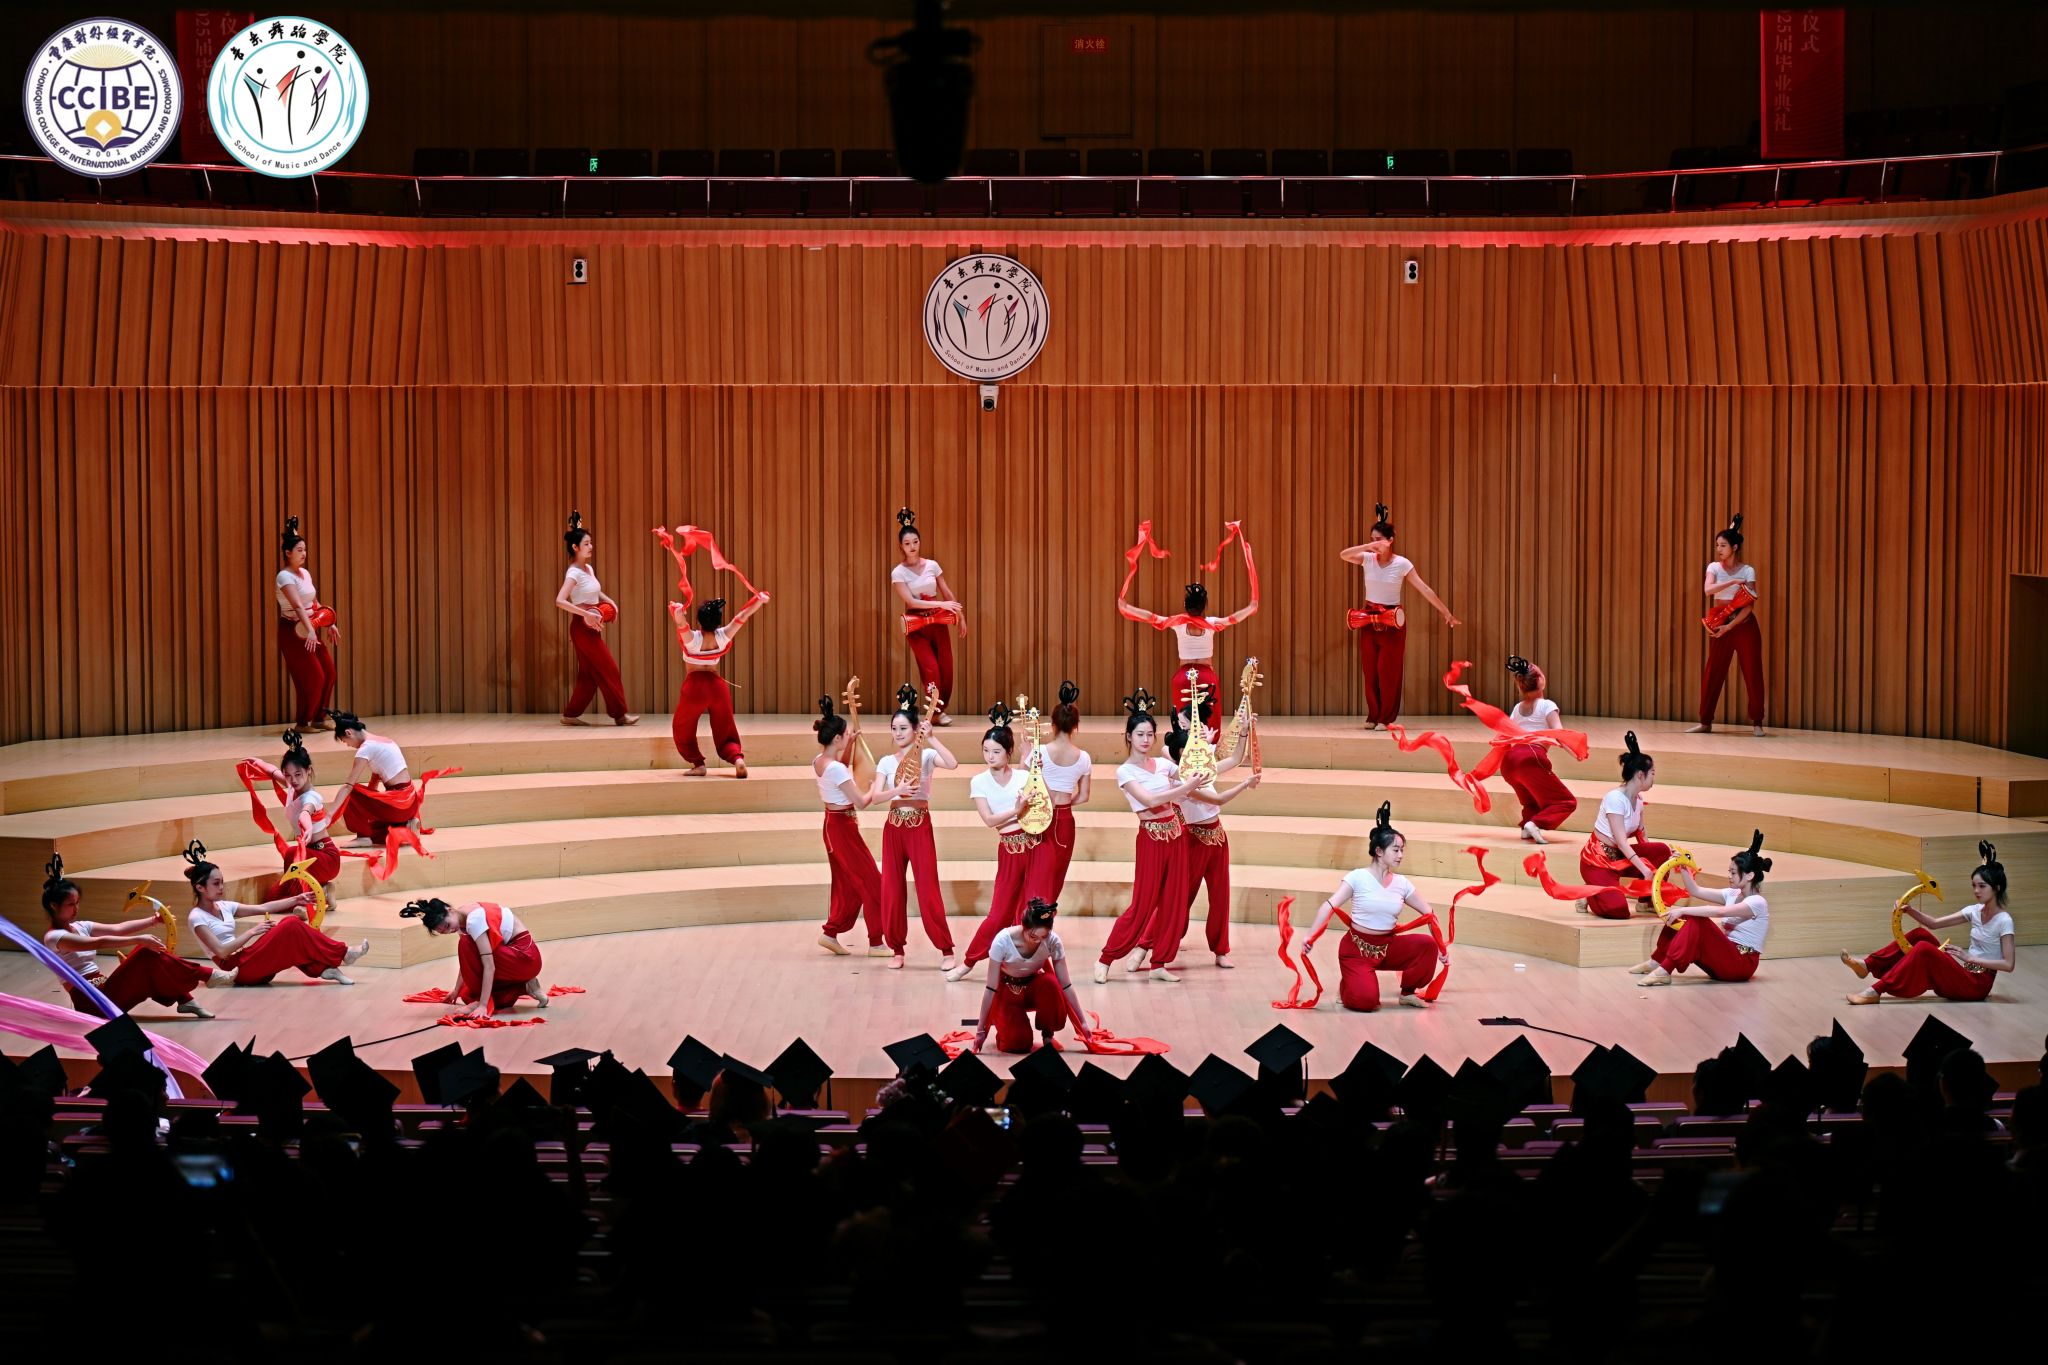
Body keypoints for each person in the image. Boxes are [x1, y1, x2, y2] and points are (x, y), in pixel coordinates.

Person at [1092, 690, 1208, 984]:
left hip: (1176, 835)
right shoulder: (1125, 772)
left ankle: (1159, 963)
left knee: (1174, 903)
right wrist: (1186, 787)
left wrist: (1204, 750)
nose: (1145, 739)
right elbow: (1150, 800)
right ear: (1129, 737)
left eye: (1150, 734)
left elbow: (1196, 775)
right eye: (1140, 734)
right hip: (1151, 839)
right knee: (1142, 905)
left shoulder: (1164, 765)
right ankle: (1106, 958)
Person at [40, 856, 228, 1018]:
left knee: (151, 962)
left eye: (77, 903)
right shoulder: (54, 937)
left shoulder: (80, 926)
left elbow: (118, 928)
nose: (76, 909)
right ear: (54, 906)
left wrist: (153, 920)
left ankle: (185, 999)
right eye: (70, 904)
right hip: (91, 1002)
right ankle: (205, 975)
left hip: (105, 990)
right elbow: (98, 942)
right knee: (144, 953)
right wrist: (139, 939)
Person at [1298, 803, 1441, 1011]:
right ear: (1379, 851)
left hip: (1387, 947)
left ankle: (1408, 992)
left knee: (1427, 945)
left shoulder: (1402, 883)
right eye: (1396, 850)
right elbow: (1329, 906)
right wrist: (1310, 936)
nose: (1400, 855)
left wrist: (1442, 947)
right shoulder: (1357, 877)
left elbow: (1429, 914)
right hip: (1357, 950)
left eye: (1402, 850)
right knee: (1366, 1002)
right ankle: (1347, 986)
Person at [1845, 841, 2017, 1005]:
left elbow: (2008, 965)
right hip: (1965, 973)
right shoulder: (1974, 910)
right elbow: (1934, 923)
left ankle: (1875, 991)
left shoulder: (2004, 921)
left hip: (1977, 986)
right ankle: (1867, 965)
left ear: (1997, 888)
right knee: (1920, 935)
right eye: (1974, 886)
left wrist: (1969, 958)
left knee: (1924, 949)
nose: (1976, 891)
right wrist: (1910, 910)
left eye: (1982, 886)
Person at [1339, 502, 1458, 730]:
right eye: (1372, 539)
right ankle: (1373, 715)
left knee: (1388, 671)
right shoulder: (1367, 559)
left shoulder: (1402, 563)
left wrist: (1446, 612)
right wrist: (1369, 546)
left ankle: (1386, 718)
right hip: (1369, 618)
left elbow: (1424, 588)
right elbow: (1343, 555)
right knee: (1370, 671)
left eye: (1378, 539)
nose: (1374, 543)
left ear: (1390, 540)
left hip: (1392, 620)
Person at [181, 841, 367, 985]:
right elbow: (222, 952)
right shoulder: (196, 917)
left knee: (290, 929)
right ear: (200, 888)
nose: (221, 887)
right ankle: (344, 953)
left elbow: (263, 908)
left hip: (250, 960)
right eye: (216, 883)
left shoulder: (224, 906)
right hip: (237, 970)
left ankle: (326, 969)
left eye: (222, 882)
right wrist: (252, 932)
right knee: (290, 924)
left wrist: (296, 899)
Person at [949, 705, 1044, 980]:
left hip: (1034, 848)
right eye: (986, 751)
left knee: (1031, 911)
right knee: (999, 913)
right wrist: (1016, 810)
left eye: (996, 751)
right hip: (1010, 850)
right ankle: (968, 962)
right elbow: (990, 820)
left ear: (1008, 752)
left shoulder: (1023, 777)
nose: (990, 756)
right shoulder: (979, 782)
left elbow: (1041, 810)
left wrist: (1036, 770)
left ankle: (1028, 965)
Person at [1161, 707, 1260, 969]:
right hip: (1193, 841)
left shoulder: (1205, 769)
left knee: (1220, 896)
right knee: (1182, 896)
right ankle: (1160, 942)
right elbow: (1218, 800)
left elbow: (1236, 758)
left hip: (1217, 838)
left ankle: (1220, 950)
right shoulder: (1180, 779)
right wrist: (1244, 784)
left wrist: (1244, 731)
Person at [872, 684, 960, 971]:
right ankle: (897, 949)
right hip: (894, 827)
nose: (898, 733)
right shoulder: (886, 762)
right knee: (892, 889)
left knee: (927, 887)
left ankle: (946, 950)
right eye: (894, 729)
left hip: (919, 825)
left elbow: (953, 763)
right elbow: (875, 797)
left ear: (914, 729)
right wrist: (896, 790)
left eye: (903, 728)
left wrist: (932, 737)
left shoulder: (925, 756)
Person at [814, 697, 905, 956]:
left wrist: (852, 743)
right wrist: (882, 787)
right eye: (846, 735)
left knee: (848, 884)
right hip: (843, 830)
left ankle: (830, 933)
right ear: (837, 739)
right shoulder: (836, 770)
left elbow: (841, 767)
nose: (848, 736)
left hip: (833, 826)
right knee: (873, 882)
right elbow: (863, 802)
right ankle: (876, 942)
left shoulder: (820, 760)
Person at [1628, 830, 1772, 985]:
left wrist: (1682, 910)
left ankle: (1665, 970)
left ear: (1749, 875)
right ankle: (1656, 961)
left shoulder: (1757, 902)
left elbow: (1720, 912)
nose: (1729, 876)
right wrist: (1683, 865)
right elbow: (1695, 890)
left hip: (1741, 964)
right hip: (1725, 958)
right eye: (1729, 872)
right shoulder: (1733, 894)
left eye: (1733, 873)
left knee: (1698, 920)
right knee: (1687, 917)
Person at [1123, 581, 1257, 741]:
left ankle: (1184, 746)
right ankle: (1209, 746)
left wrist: (1127, 607)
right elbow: (1232, 619)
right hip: (1206, 676)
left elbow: (1151, 617)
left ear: (1185, 605)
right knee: (1210, 716)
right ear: (1204, 606)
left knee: (1184, 717)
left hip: (1183, 677)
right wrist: (1251, 607)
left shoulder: (1178, 623)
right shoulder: (1210, 623)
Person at [971, 899, 1093, 1055]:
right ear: (1024, 926)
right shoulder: (1002, 941)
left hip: (1032, 987)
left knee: (1051, 984)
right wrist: (980, 1030)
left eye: (1044, 936)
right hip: (1007, 991)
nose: (1038, 941)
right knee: (1018, 1043)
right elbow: (990, 988)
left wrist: (1082, 1022)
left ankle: (1047, 1035)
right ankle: (1006, 1026)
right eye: (1033, 936)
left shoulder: (1053, 941)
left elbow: (1066, 985)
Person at [668, 592, 767, 778]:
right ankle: (737, 758)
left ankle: (698, 764)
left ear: (699, 620)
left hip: (695, 687)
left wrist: (677, 609)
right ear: (718, 621)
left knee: (682, 727)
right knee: (726, 727)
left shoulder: (692, 639)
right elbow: (743, 615)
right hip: (717, 687)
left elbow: (680, 623)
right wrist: (759, 600)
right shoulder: (723, 636)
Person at [1577, 731, 1673, 920]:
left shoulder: (1638, 799)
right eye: (1652, 773)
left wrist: (1658, 863)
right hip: (1598, 861)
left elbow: (1642, 835)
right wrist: (1645, 869)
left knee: (1662, 851)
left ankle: (1645, 902)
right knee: (1618, 910)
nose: (1654, 778)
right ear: (1640, 775)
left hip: (1620, 857)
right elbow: (1621, 842)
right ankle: (1589, 894)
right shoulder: (1615, 799)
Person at [556, 509, 638, 727]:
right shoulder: (574, 573)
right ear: (575, 548)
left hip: (591, 625)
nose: (591, 546)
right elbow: (560, 600)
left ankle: (570, 714)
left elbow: (596, 591)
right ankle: (620, 715)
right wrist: (586, 614)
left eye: (591, 543)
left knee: (588, 676)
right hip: (582, 627)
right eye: (586, 544)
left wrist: (611, 602)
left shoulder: (588, 569)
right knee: (609, 669)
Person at [400, 898, 547, 1019]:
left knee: (465, 944)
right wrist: (456, 991)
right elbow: (468, 962)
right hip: (517, 959)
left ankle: (483, 1000)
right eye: (443, 931)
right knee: (466, 994)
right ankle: (525, 987)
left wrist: (483, 1005)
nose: (449, 930)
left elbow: (489, 966)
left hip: (525, 957)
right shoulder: (460, 917)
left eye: (447, 925)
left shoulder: (474, 921)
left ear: (449, 910)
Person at [1691, 511, 1767, 737]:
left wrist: (1730, 627)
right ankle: (1705, 721)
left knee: (1752, 671)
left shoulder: (1748, 570)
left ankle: (1757, 722)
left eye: (1723, 545)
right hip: (1720, 620)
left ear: (1734, 547)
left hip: (1743, 623)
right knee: (1713, 671)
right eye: (1717, 545)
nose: (1719, 549)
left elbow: (1749, 605)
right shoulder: (1714, 567)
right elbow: (1708, 590)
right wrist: (1732, 581)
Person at [238, 728, 343, 891]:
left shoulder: (311, 797)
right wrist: (258, 762)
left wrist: (308, 827)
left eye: (298, 774)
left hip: (326, 858)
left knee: (291, 854)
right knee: (277, 891)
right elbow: (272, 771)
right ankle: (324, 890)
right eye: (288, 775)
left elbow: (305, 812)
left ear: (308, 770)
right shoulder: (293, 785)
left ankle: (308, 895)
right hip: (310, 854)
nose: (292, 780)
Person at [891, 508, 967, 721]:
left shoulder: (932, 565)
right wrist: (941, 603)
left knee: (946, 667)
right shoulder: (898, 572)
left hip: (938, 621)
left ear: (920, 542)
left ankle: (939, 711)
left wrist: (960, 617)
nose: (912, 546)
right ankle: (934, 710)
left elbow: (947, 592)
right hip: (917, 624)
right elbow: (911, 601)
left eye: (915, 542)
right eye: (907, 543)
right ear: (901, 546)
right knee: (931, 669)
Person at [1026, 681, 1092, 907]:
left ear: (1052, 724)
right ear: (1076, 726)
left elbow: (1021, 782)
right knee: (1056, 875)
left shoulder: (1039, 751)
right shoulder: (1083, 757)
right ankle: (1046, 919)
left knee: (1035, 874)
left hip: (1038, 816)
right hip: (1064, 818)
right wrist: (1064, 804)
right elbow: (1084, 796)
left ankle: (1029, 921)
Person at [1499, 657, 1577, 843]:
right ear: (1541, 680)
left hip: (1509, 762)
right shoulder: (1547, 705)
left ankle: (1527, 828)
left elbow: (1508, 733)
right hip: (1530, 757)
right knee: (1566, 802)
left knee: (1531, 801)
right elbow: (1559, 733)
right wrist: (1575, 752)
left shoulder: (1517, 708)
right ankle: (1534, 824)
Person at [325, 711, 431, 847]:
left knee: (353, 792)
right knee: (373, 818)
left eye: (345, 741)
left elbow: (348, 786)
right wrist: (367, 810)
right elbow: (375, 781)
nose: (348, 745)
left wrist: (329, 816)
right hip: (410, 804)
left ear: (348, 733)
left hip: (399, 805)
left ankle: (364, 836)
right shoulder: (385, 740)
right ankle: (404, 827)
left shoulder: (366, 748)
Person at [273, 515, 340, 729]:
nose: (303, 553)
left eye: (305, 550)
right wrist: (311, 630)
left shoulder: (305, 573)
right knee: (313, 677)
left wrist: (329, 622)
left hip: (309, 627)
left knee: (329, 672)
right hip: (293, 632)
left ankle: (319, 718)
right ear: (288, 553)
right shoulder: (284, 577)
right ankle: (302, 721)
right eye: (299, 550)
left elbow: (314, 602)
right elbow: (298, 606)